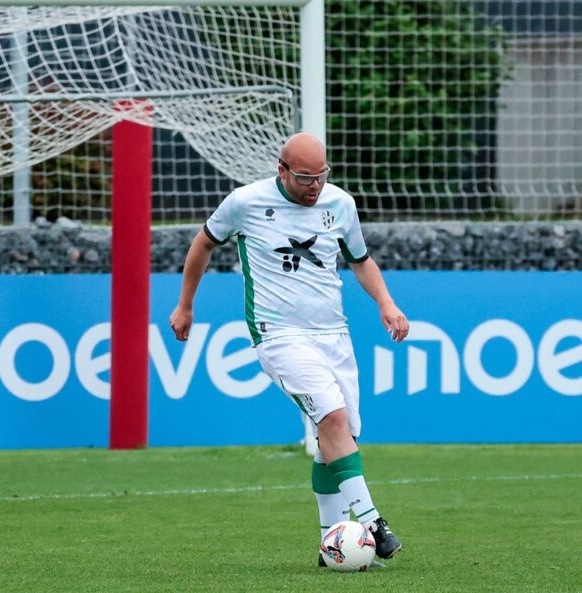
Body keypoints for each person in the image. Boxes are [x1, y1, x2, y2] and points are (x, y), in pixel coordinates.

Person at [169, 132, 410, 564]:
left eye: (321, 176)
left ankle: (328, 540)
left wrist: (386, 303)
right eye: (304, 178)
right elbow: (204, 242)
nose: (315, 186)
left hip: (334, 334)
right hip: (278, 334)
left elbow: (360, 260)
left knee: (339, 436)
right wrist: (186, 305)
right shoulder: (244, 203)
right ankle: (373, 522)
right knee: (332, 416)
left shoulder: (340, 204)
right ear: (281, 170)